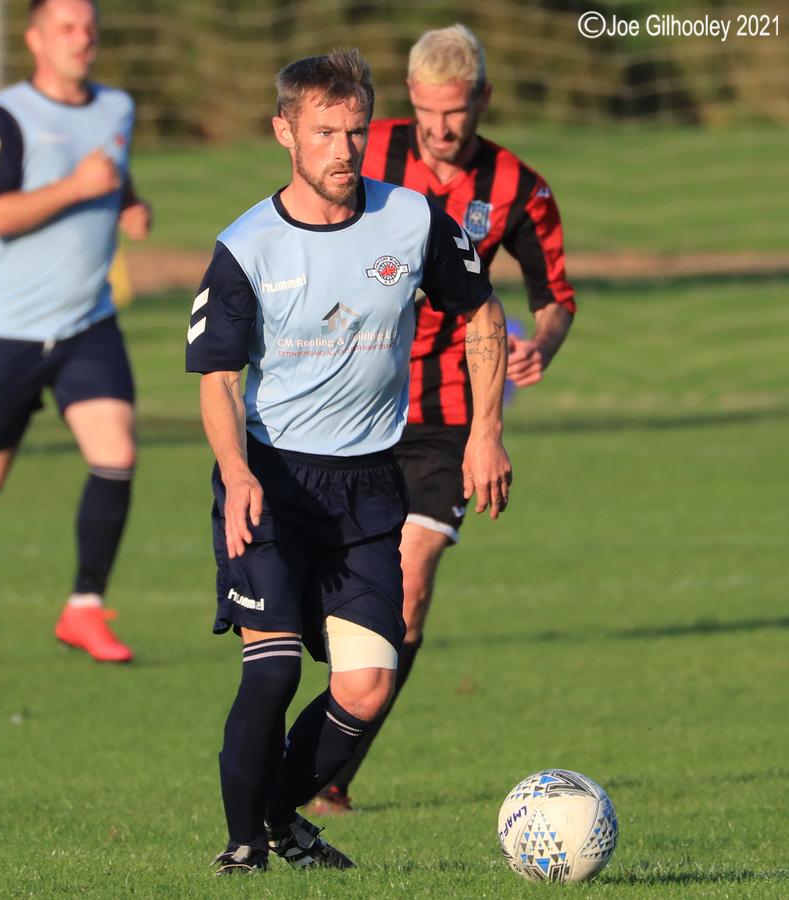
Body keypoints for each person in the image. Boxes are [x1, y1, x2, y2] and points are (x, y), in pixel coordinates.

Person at [185, 48, 512, 874]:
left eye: (355, 131)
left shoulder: (410, 220)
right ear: (283, 132)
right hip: (271, 480)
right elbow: (219, 380)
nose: (342, 150)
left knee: (367, 685)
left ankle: (277, 815)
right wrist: (236, 475)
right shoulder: (245, 247)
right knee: (273, 668)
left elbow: (480, 312)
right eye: (324, 132)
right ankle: (243, 846)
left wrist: (483, 431)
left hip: (370, 483)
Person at [306, 23, 575, 815]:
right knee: (323, 586)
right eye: (425, 113)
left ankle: (332, 770)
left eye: (454, 113)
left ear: (481, 100)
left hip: (447, 414)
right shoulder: (363, 150)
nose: (439, 130)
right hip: (348, 400)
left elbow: (552, 296)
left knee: (410, 581)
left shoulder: (517, 185)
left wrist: (544, 348)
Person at [0, 0, 152, 662]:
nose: (81, 39)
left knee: (115, 453)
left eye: (89, 28)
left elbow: (112, 168)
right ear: (34, 39)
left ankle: (84, 607)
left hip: (88, 321)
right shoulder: (9, 115)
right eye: (66, 28)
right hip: (7, 328)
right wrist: (77, 188)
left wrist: (130, 201)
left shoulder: (117, 106)